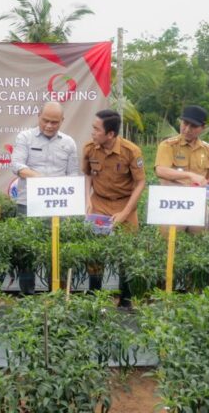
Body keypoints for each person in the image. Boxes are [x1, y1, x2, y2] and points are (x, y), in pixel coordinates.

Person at [83, 109, 146, 300]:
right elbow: (87, 174)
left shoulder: (131, 151)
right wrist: (87, 200)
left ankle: (125, 300)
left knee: (126, 254)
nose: (92, 132)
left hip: (124, 205)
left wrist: (125, 212)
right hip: (99, 204)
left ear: (110, 134)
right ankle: (95, 297)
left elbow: (141, 182)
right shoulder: (89, 148)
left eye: (96, 129)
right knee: (95, 254)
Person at [11, 102, 79, 216]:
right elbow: (17, 166)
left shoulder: (69, 142)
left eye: (54, 122)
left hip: (58, 204)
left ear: (62, 120)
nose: (49, 125)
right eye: (45, 120)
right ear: (39, 116)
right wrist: (42, 179)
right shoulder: (25, 137)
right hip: (28, 202)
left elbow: (73, 174)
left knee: (59, 234)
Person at [154, 105, 209, 232]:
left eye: (193, 126)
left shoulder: (208, 149)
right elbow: (161, 170)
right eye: (185, 124)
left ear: (202, 128)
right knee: (170, 244)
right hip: (172, 204)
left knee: (198, 244)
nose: (187, 129)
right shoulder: (168, 145)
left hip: (198, 204)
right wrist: (189, 175)